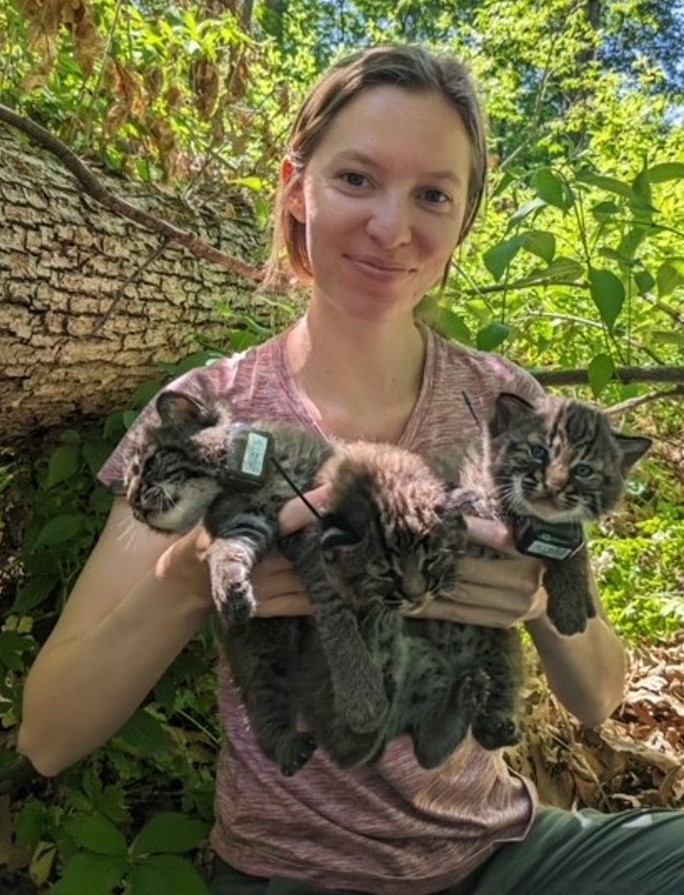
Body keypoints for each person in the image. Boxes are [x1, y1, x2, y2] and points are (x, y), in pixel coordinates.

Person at [18, 44, 683, 895]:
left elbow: (598, 695)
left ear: (464, 218)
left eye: (432, 195)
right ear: (299, 187)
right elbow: (48, 731)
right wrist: (188, 577)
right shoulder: (209, 410)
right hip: (294, 871)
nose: (392, 228)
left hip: (501, 855)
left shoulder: (505, 401)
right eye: (358, 179)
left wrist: (544, 592)